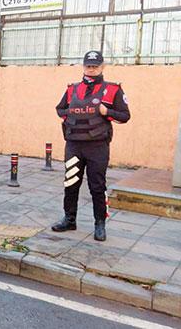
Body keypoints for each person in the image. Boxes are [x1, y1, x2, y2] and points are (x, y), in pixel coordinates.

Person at [52, 51, 130, 241]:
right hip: (74, 145)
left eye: (95, 65)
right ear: (84, 66)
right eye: (88, 65)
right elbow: (60, 109)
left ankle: (100, 224)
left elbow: (125, 116)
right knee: (71, 184)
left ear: (103, 67)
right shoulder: (72, 89)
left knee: (97, 186)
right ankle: (69, 219)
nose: (91, 69)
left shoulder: (113, 90)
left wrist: (106, 111)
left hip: (97, 146)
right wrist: (71, 115)